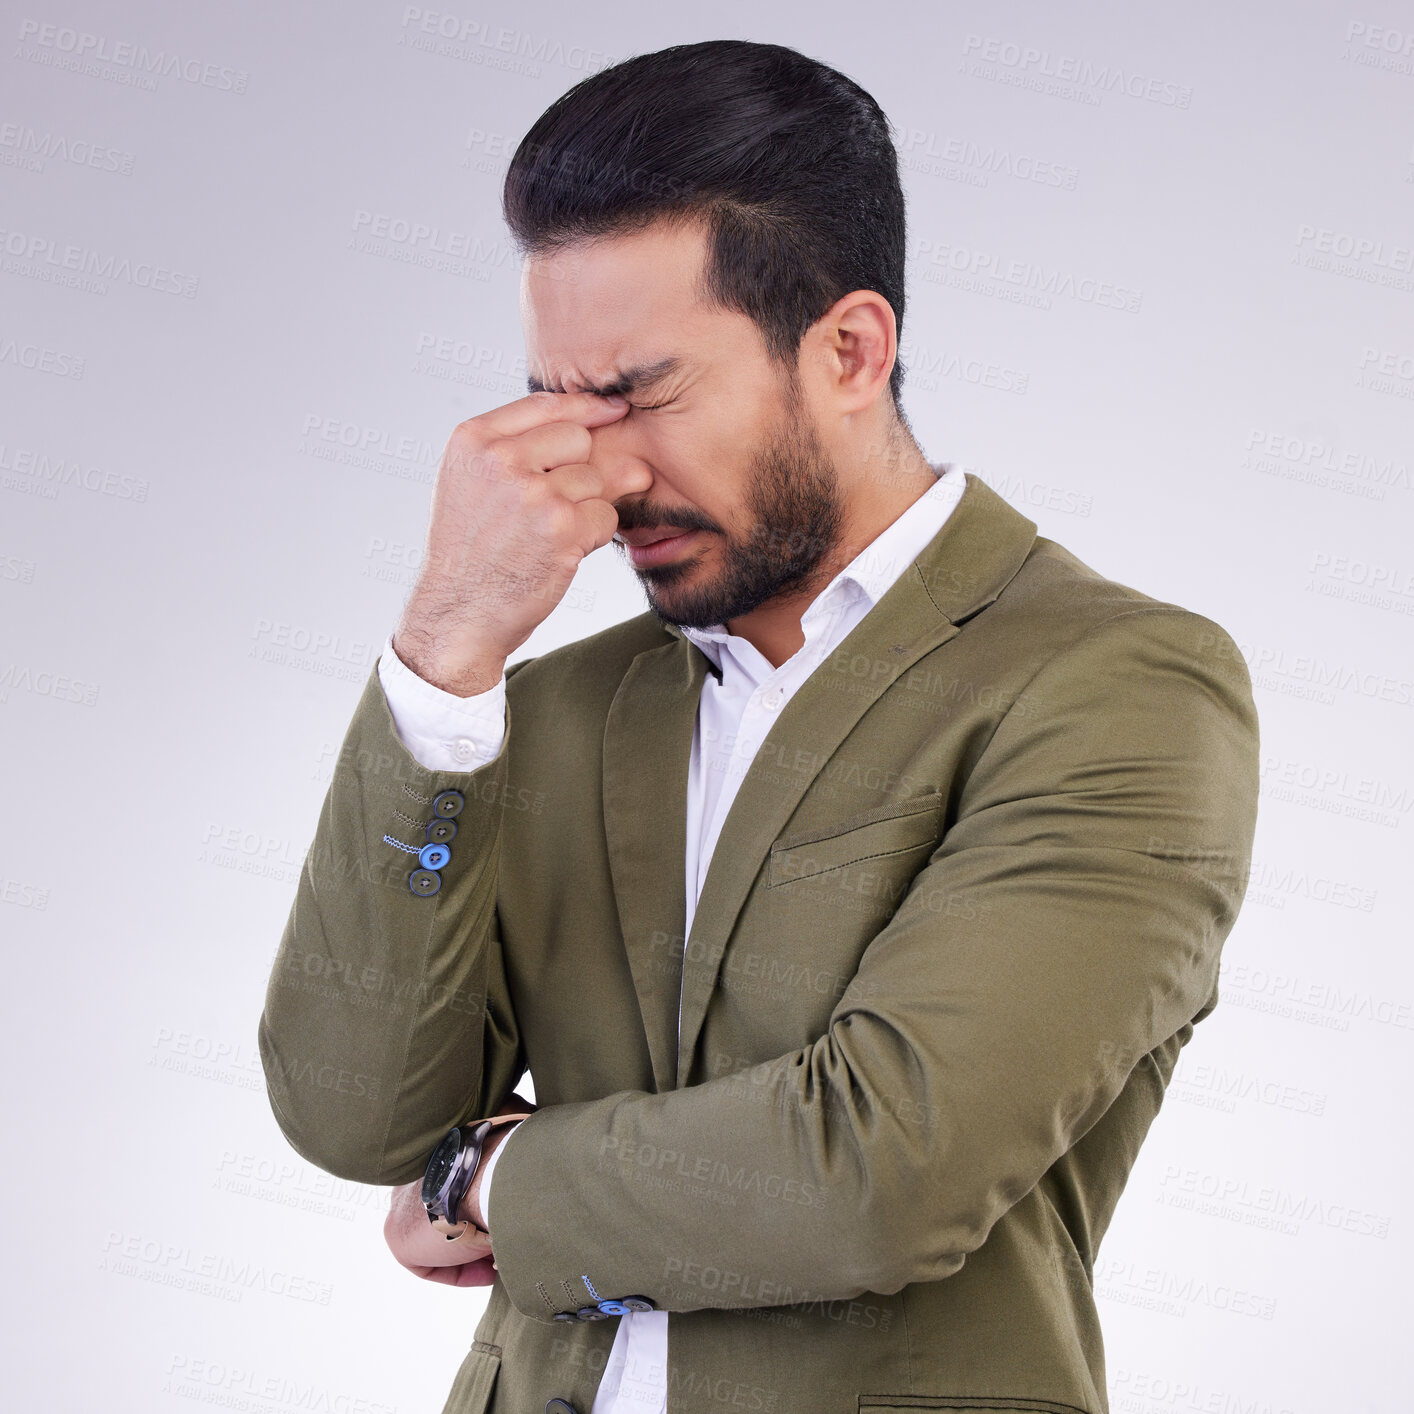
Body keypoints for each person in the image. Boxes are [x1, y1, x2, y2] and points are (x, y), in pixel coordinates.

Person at [257, 38, 1260, 1414]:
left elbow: (877, 1174)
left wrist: (490, 1175)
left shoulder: (1115, 685)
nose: (597, 466)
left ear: (849, 347)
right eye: (556, 400)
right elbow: (350, 1106)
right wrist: (444, 653)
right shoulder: (545, 706)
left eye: (642, 393)